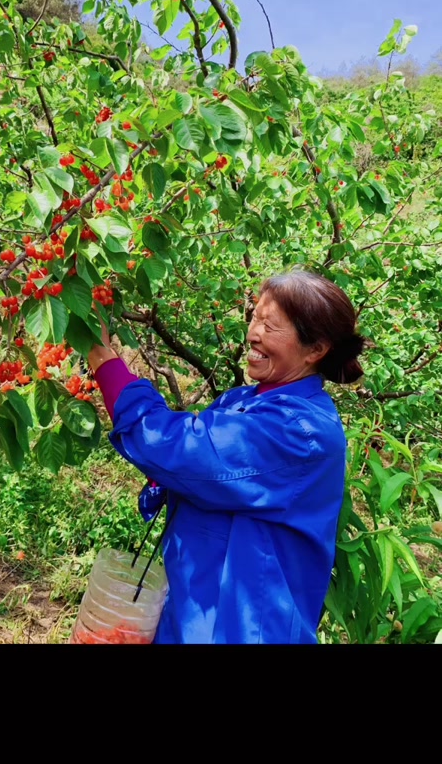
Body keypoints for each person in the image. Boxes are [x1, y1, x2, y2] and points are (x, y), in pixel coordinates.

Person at [87, 269, 365, 645]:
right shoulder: (243, 401)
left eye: (271, 325)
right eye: (255, 317)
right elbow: (190, 466)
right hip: (190, 613)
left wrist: (105, 361)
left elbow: (176, 448)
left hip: (241, 630)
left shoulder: (299, 430)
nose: (253, 333)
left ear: (316, 349)